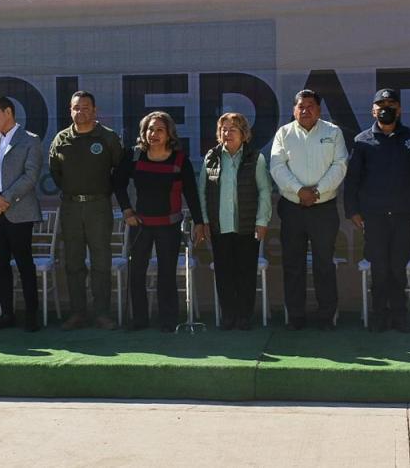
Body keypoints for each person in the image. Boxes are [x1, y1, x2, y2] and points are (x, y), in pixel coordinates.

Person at [343, 89, 410, 333]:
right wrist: (353, 211)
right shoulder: (362, 141)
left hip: (405, 216)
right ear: (373, 110)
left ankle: (400, 316)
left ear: (399, 109)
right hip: (374, 217)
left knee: (398, 266)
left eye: (391, 103)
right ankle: (379, 315)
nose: (385, 107)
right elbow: (352, 181)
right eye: (380, 104)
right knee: (379, 268)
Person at [115, 111, 205, 332]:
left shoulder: (180, 159)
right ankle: (139, 320)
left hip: (169, 226)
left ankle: (168, 321)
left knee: (167, 274)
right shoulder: (133, 155)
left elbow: (191, 193)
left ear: (169, 134)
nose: (154, 134)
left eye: (159, 130)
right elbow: (117, 182)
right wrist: (127, 211)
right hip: (141, 227)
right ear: (143, 133)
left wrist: (200, 223)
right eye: (150, 129)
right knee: (136, 273)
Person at [270, 89, 349, 330]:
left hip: (323, 208)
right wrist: (299, 191)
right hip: (292, 208)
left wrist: (316, 191)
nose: (305, 110)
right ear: (293, 110)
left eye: (310, 106)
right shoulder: (284, 133)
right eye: (300, 106)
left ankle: (326, 316)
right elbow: (277, 167)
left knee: (323, 263)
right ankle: (296, 316)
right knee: (293, 264)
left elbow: (340, 165)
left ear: (319, 109)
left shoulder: (333, 132)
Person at [48, 91, 123, 331]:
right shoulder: (61, 139)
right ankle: (78, 313)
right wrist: (73, 192)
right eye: (76, 108)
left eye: (85, 107)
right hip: (70, 207)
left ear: (94, 110)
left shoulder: (108, 138)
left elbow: (119, 172)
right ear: (70, 110)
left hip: (98, 206)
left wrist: (100, 193)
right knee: (73, 262)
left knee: (101, 261)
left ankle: (102, 313)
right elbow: (55, 173)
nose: (80, 112)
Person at [197, 112, 272, 330]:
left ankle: (244, 316)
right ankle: (228, 316)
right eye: (223, 129)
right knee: (224, 273)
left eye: (232, 129)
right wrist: (203, 221)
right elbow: (202, 190)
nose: (227, 133)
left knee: (246, 273)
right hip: (219, 227)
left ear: (244, 134)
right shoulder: (211, 157)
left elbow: (265, 191)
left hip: (247, 226)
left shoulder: (254, 157)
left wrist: (262, 221)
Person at [0, 96, 44, 332]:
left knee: (25, 263)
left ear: (8, 112)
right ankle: (6, 314)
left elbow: (31, 175)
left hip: (19, 212)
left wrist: (5, 199)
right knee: (0, 264)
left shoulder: (30, 141)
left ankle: (31, 315)